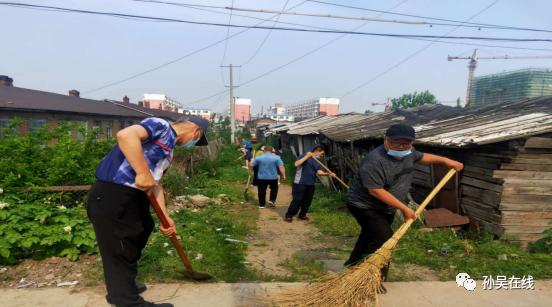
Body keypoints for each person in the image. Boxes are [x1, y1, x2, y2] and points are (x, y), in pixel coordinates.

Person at [87, 116, 209, 307]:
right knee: (120, 246)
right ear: (196, 131)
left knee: (143, 229)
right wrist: (142, 173)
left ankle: (125, 284)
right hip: (113, 194)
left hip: (134, 198)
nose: (193, 144)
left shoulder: (169, 152)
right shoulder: (160, 126)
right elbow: (126, 135)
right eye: (197, 140)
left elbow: (155, 185)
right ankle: (125, 300)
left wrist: (165, 218)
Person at [344, 124, 463, 293]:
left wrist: (446, 161)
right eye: (396, 143)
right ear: (386, 140)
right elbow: (375, 191)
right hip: (364, 205)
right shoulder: (374, 160)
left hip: (386, 207)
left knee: (370, 234)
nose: (401, 147)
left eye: (406, 144)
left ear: (411, 143)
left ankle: (354, 264)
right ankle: (372, 278)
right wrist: (404, 209)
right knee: (385, 239)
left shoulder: (409, 152)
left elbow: (422, 157)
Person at [284, 145, 335, 222]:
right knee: (297, 200)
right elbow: (296, 164)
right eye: (321, 154)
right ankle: (289, 215)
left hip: (310, 183)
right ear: (317, 151)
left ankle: (302, 215)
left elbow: (319, 172)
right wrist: (307, 156)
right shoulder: (304, 155)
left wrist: (328, 174)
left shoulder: (318, 161)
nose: (322, 156)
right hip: (299, 182)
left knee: (307, 200)